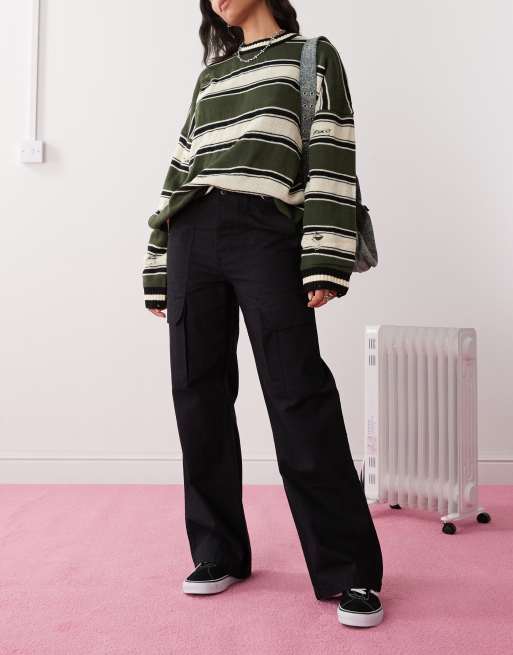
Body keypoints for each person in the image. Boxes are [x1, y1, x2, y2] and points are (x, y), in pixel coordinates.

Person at [142, 0, 384, 628]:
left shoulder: (312, 56)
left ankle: (350, 570)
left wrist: (324, 256)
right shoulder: (211, 76)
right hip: (193, 234)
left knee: (297, 391)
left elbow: (331, 153)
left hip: (266, 231)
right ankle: (217, 551)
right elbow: (179, 171)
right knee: (197, 393)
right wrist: (159, 263)